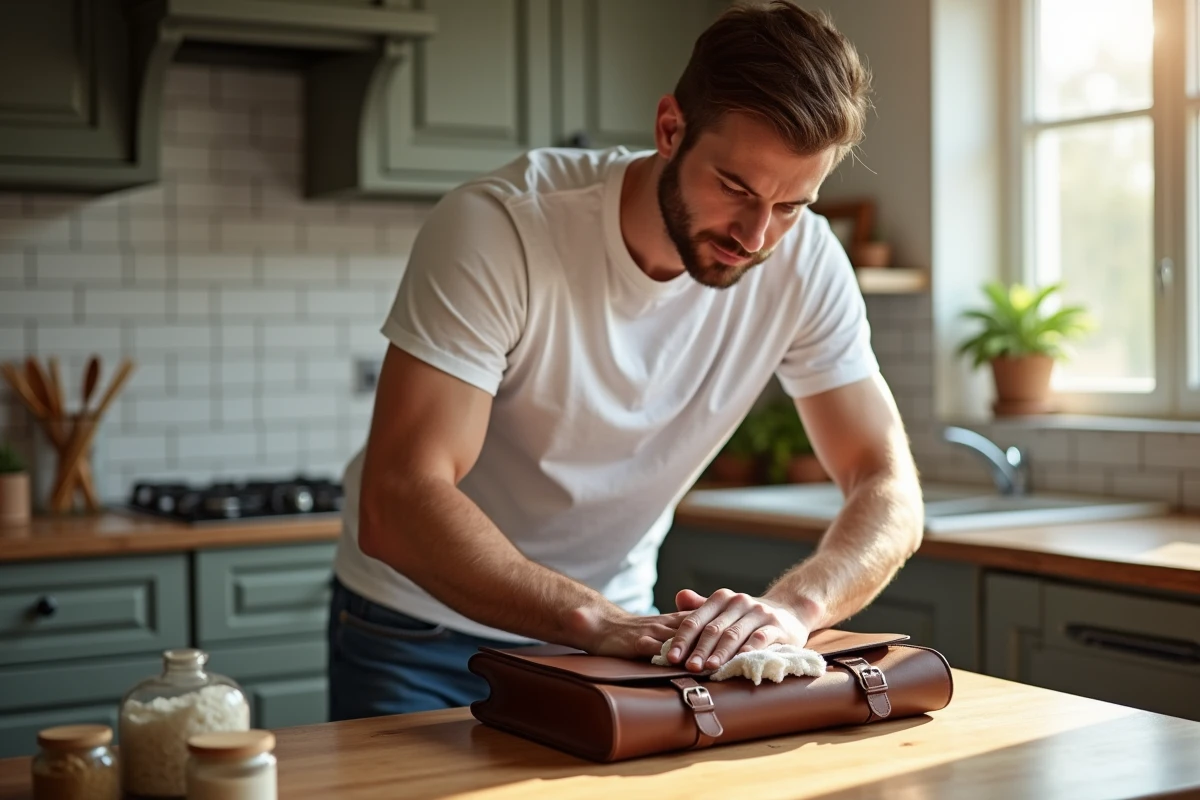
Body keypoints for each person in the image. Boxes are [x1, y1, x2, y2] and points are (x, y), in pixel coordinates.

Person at [326, 0, 924, 721]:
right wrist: (596, 621)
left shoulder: (804, 260)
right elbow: (397, 499)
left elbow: (887, 482)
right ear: (670, 128)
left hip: (619, 633)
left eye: (792, 203)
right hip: (419, 635)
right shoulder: (502, 228)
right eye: (734, 187)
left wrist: (795, 610)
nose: (757, 234)